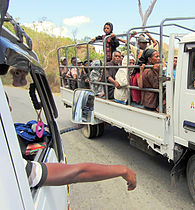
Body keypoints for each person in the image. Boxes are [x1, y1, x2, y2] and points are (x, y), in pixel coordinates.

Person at [1, 64, 136, 191]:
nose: (10, 108)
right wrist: (123, 170)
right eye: (5, 105)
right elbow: (77, 173)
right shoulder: (10, 168)